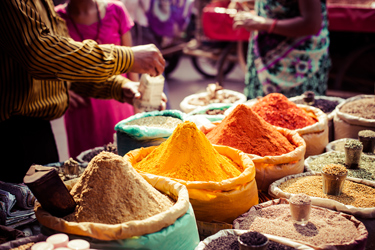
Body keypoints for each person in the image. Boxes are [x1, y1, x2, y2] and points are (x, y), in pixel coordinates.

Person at [0, 0, 166, 183]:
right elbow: (40, 54)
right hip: (12, 134)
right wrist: (128, 57)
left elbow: (64, 71)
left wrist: (119, 86)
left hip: (38, 131)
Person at [55, 0, 141, 158]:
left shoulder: (116, 10)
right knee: (88, 167)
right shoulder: (56, 18)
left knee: (128, 162)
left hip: (120, 100)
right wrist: (60, 90)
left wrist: (138, 107)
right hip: (83, 111)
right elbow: (50, 64)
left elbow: (132, 65)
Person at [232, 0, 330, 99]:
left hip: (298, 64)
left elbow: (311, 24)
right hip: (262, 61)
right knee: (258, 109)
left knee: (299, 110)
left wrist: (263, 23)